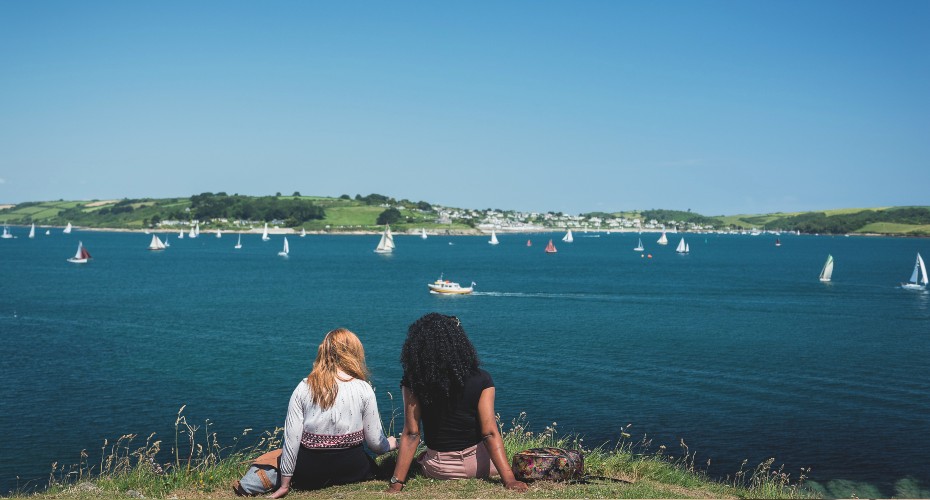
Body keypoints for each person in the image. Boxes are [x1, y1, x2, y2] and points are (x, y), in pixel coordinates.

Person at [387, 313, 528, 493]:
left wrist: (396, 484)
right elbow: (489, 433)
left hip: (440, 468)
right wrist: (510, 480)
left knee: (423, 456)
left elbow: (412, 434)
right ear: (459, 343)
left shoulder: (414, 381)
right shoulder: (482, 379)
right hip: (481, 465)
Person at [269, 328, 397, 498]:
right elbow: (375, 444)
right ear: (354, 353)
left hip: (310, 474)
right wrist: (391, 444)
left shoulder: (304, 387)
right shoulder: (363, 388)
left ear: (324, 351)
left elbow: (291, 440)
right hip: (354, 470)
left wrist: (285, 484)